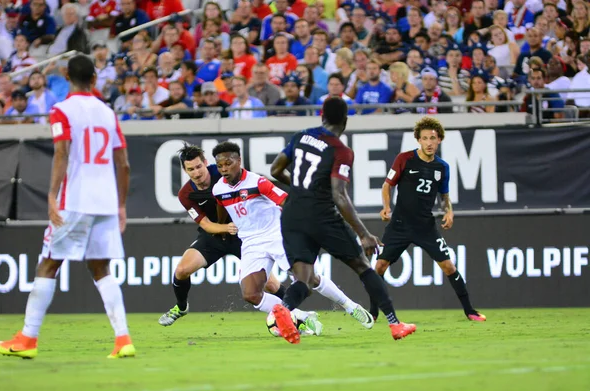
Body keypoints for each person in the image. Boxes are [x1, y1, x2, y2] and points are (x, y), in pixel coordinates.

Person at [0, 55, 134, 359]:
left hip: (76, 200)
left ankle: (27, 339)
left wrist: (52, 195)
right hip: (106, 201)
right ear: (95, 79)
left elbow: (61, 153)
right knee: (101, 267)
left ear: (66, 76)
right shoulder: (109, 113)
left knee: (49, 263)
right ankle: (123, 339)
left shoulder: (61, 110)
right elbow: (124, 163)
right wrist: (121, 205)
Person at [269, 97, 417, 344]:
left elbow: (275, 170)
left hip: (292, 215)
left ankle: (284, 308)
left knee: (303, 278)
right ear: (345, 121)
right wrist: (363, 233)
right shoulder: (341, 151)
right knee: (362, 266)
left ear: (321, 115)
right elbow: (338, 194)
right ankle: (395, 324)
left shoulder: (301, 136)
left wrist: (300, 190)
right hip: (322, 216)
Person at [212, 141, 374, 337]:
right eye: (220, 165)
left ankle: (350, 306)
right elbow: (221, 205)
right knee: (251, 294)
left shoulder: (258, 182)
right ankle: (302, 316)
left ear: (239, 161)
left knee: (309, 278)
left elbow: (285, 200)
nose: (224, 169)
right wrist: (220, 228)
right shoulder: (218, 189)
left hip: (276, 235)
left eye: (228, 163)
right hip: (251, 243)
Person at [370, 116, 486, 323]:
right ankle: (373, 311)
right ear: (418, 140)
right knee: (379, 267)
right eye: (425, 138)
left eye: (433, 138)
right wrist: (386, 207)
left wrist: (448, 211)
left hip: (425, 226)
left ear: (439, 140)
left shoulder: (442, 167)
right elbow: (387, 185)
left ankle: (470, 310)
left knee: (449, 267)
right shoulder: (404, 159)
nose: (429, 142)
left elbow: (444, 196)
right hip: (400, 225)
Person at [159, 144, 281, 326]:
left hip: (243, 236)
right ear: (185, 171)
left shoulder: (224, 174)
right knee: (182, 270)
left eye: (199, 167)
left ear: (206, 164)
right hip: (215, 235)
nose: (197, 173)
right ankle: (181, 306)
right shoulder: (185, 194)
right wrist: (226, 228)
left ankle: (295, 313)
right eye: (190, 169)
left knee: (270, 284)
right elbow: (206, 225)